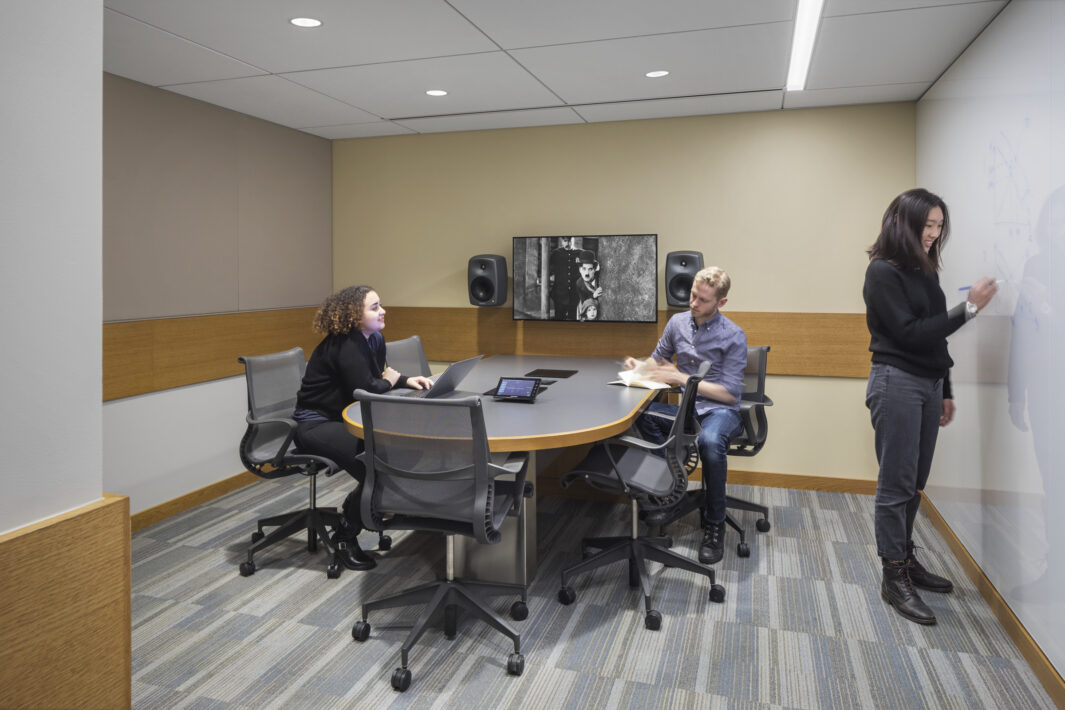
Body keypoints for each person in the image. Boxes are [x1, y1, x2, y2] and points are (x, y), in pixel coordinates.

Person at [864, 188, 997, 625]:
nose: (933, 234)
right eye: (928, 225)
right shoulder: (881, 272)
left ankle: (905, 557)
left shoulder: (926, 271)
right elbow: (909, 334)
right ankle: (893, 574)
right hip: (896, 381)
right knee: (896, 483)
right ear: (904, 223)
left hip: (927, 382)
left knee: (915, 481)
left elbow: (935, 339)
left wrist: (946, 388)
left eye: (940, 226)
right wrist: (971, 308)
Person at [293, 285, 434, 570]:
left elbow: (379, 377)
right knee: (378, 469)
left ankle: (371, 506)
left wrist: (406, 380)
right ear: (354, 316)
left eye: (380, 305)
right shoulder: (346, 343)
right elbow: (367, 389)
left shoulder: (374, 339)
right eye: (374, 307)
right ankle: (346, 533)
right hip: (316, 424)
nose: (383, 311)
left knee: (389, 464)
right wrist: (392, 381)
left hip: (347, 419)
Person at [624, 266, 747, 565]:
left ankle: (714, 524)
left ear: (721, 302)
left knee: (710, 442)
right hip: (686, 410)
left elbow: (730, 393)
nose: (693, 303)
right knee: (636, 416)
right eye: (693, 295)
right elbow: (659, 358)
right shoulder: (677, 323)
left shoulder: (733, 336)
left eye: (703, 300)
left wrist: (682, 379)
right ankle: (666, 492)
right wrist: (639, 367)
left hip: (720, 411)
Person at [548, 237, 581, 320]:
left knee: (573, 317)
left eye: (570, 241)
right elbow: (547, 267)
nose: (567, 244)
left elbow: (592, 263)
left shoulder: (580, 253)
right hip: (559, 293)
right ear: (562, 241)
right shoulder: (556, 253)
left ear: (573, 240)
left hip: (574, 294)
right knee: (558, 317)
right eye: (565, 241)